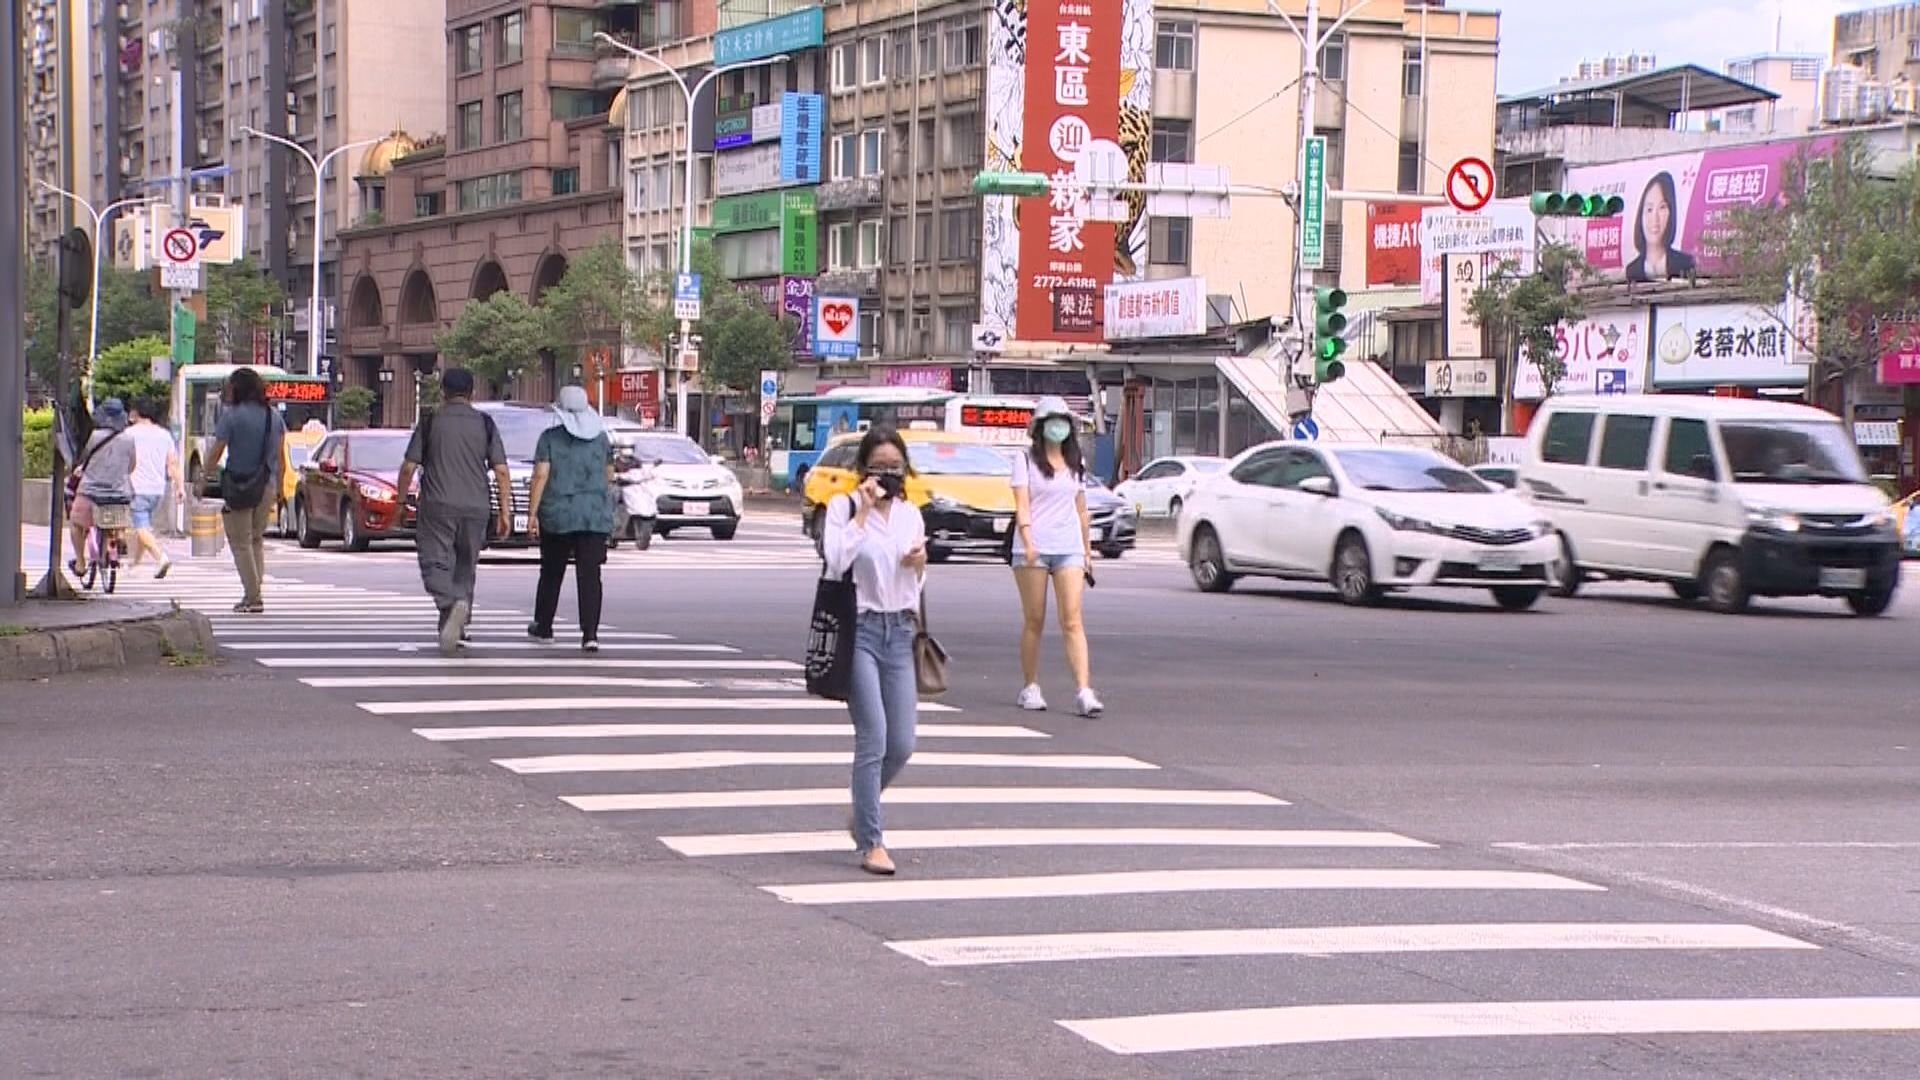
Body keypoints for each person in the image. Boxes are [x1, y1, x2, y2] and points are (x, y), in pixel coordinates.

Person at [822, 426, 927, 877]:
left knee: (902, 743)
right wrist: (862, 512)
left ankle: (862, 807)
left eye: (894, 468)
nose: (886, 477)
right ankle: (872, 840)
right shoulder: (842, 508)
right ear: (862, 469)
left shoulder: (911, 516)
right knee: (874, 735)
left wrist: (919, 565)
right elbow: (836, 562)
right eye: (878, 468)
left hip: (900, 631)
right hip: (859, 631)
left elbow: (914, 583)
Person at [397, 368, 511, 656]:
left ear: (443, 392)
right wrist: (506, 512)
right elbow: (501, 470)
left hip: (438, 504)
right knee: (465, 565)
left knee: (434, 561)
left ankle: (450, 603)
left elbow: (409, 466)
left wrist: (401, 501)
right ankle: (457, 626)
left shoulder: (431, 420)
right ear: (472, 393)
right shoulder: (485, 424)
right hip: (476, 507)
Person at [1010, 396, 1103, 717]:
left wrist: (1088, 552)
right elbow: (1022, 504)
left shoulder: (1076, 463)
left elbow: (1081, 510)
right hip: (1033, 548)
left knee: (1073, 619)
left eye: (1063, 421)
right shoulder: (1024, 461)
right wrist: (1028, 539)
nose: (1058, 426)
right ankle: (1030, 685)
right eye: (1052, 421)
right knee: (1035, 619)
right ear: (1040, 427)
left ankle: (1084, 690)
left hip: (1069, 547)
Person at [527, 385, 615, 651]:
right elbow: (609, 475)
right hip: (594, 515)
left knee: (552, 571)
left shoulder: (549, 438)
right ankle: (590, 634)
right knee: (590, 574)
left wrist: (532, 513)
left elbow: (541, 475)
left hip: (558, 513)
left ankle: (544, 626)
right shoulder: (601, 439)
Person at [209, 370, 285, 613]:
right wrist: (281, 487)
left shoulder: (231, 417)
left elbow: (216, 451)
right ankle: (253, 592)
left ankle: (253, 597)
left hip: (239, 485)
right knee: (256, 540)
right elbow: (282, 458)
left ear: (238, 388)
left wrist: (203, 479)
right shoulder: (274, 418)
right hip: (267, 484)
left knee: (240, 543)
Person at [68, 399, 138, 579]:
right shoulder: (129, 440)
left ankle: (81, 563)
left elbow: (86, 460)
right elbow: (131, 466)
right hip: (119, 492)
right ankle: (116, 538)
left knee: (76, 522)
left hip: (91, 491)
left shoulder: (95, 436)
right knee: (111, 520)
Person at [126, 398, 181, 579]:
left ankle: (160, 557)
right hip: (158, 489)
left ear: (136, 413)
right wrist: (180, 487)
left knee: (141, 527)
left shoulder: (129, 434)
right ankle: (135, 563)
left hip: (137, 487)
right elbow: (172, 463)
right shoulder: (164, 435)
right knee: (144, 527)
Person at [1624, 171, 1697, 283]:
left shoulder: (1685, 263)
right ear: (1640, 215)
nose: (1655, 218)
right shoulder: (1632, 270)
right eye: (1649, 209)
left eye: (1662, 208)